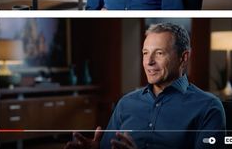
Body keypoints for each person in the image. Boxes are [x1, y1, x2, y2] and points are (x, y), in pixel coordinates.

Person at [64, 23, 226, 149]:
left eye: (159, 53)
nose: (149, 62)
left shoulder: (208, 107)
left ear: (183, 58)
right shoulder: (126, 103)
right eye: (145, 53)